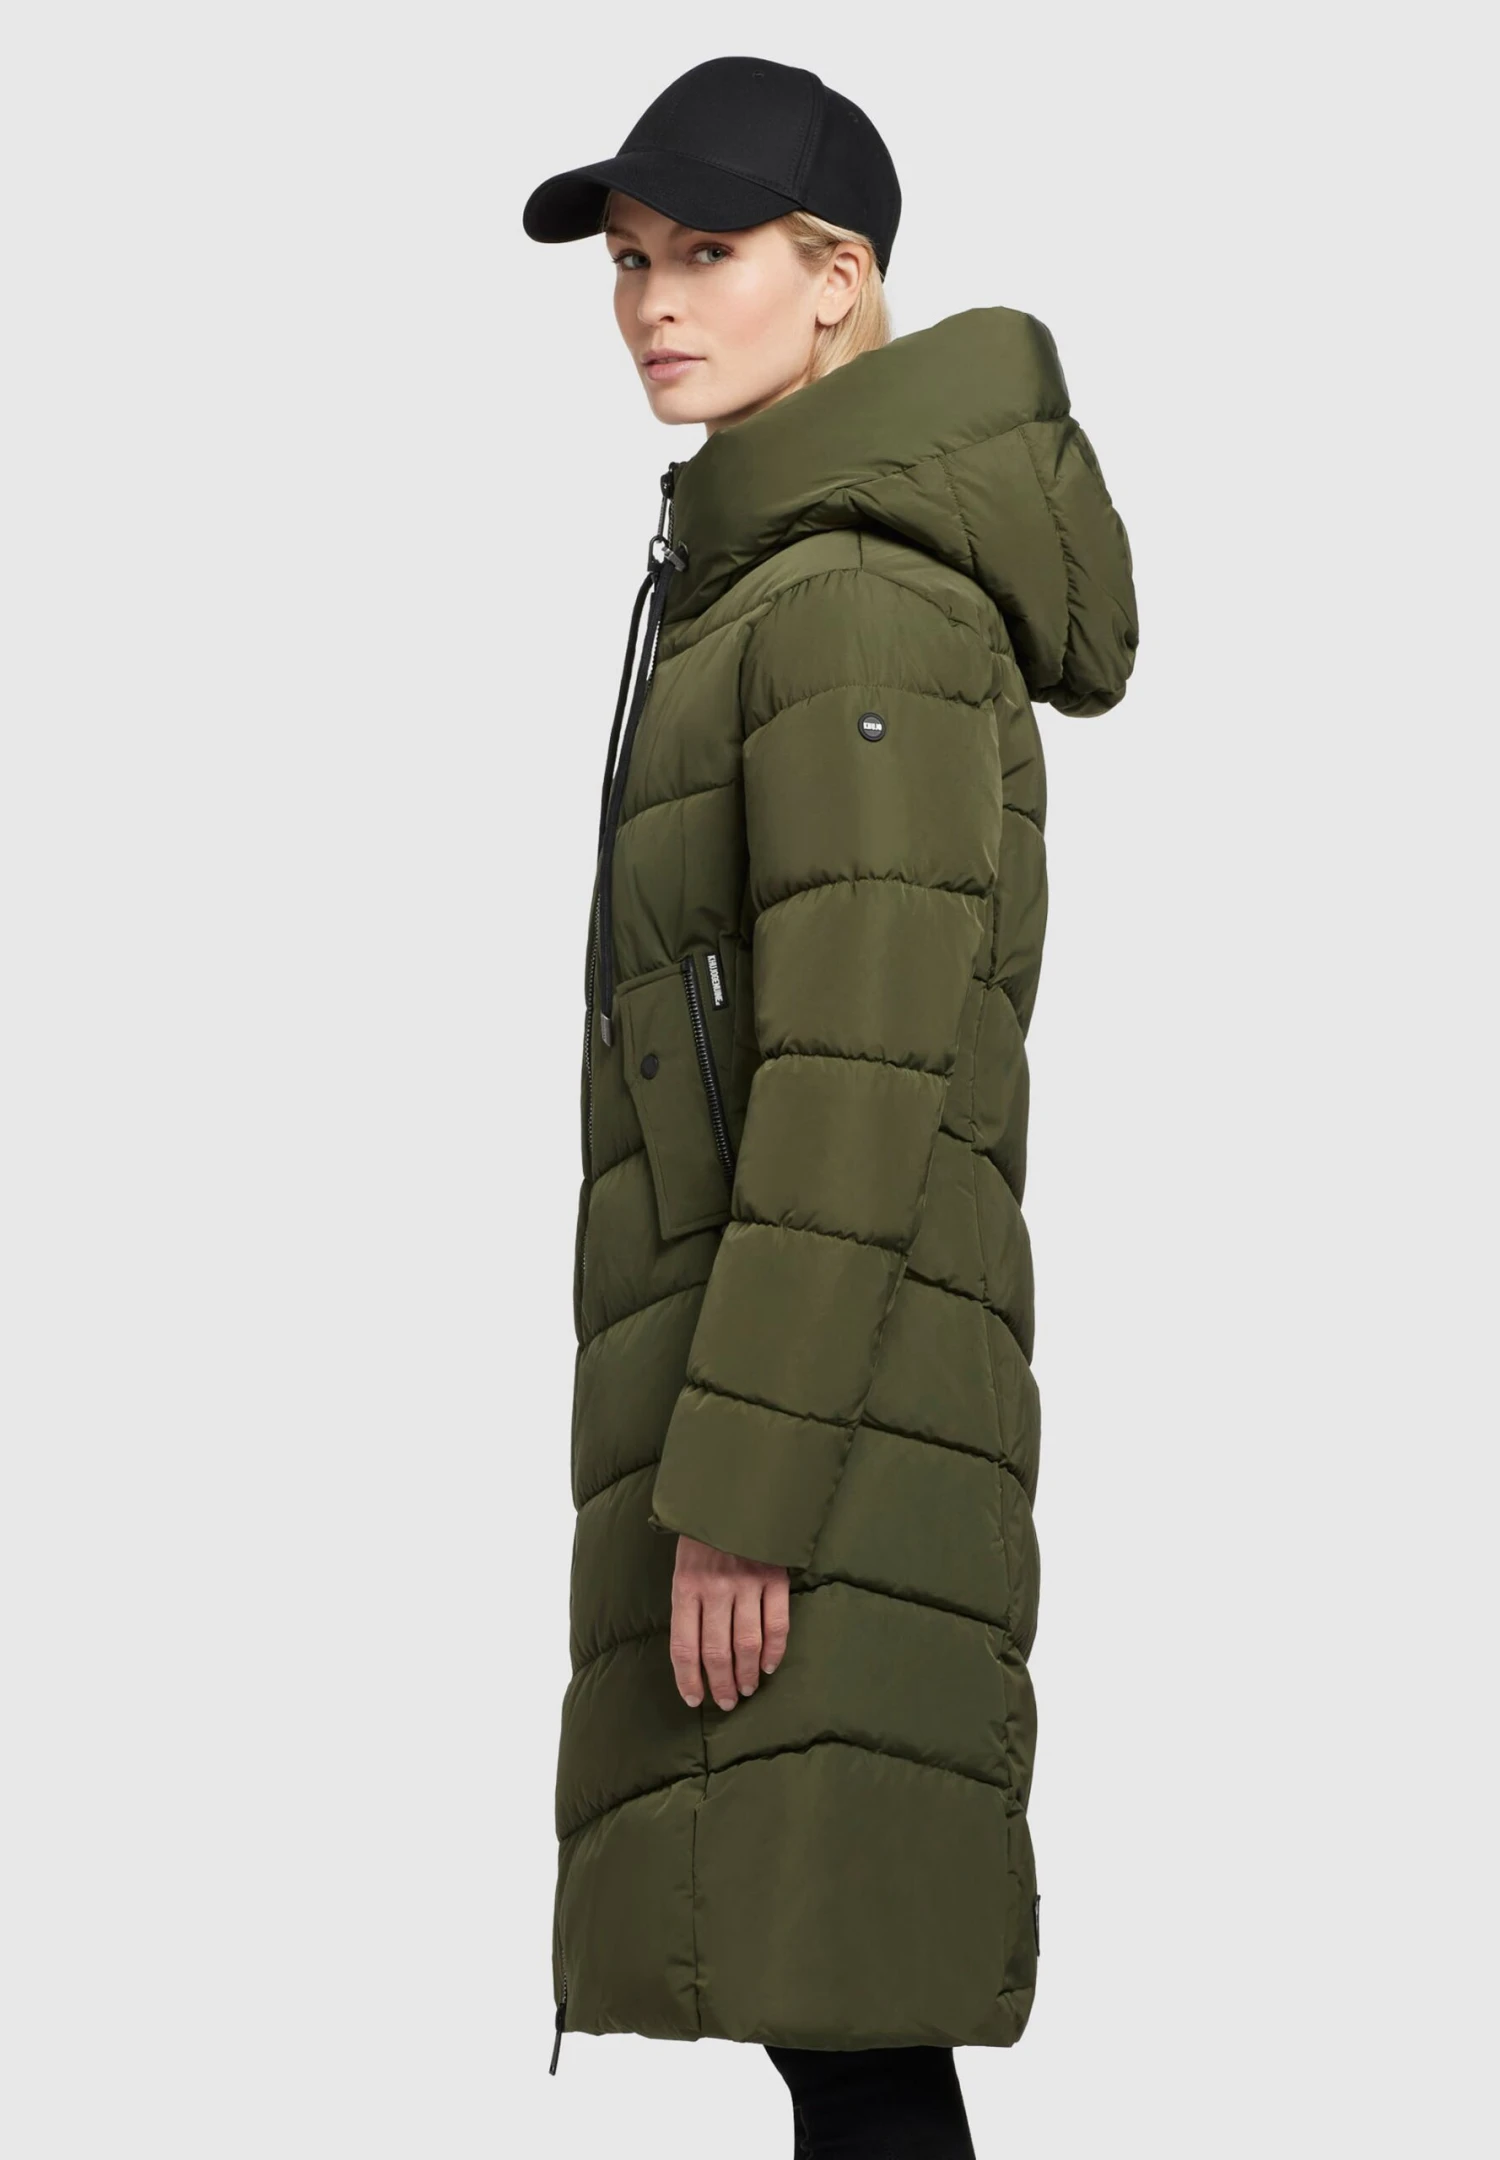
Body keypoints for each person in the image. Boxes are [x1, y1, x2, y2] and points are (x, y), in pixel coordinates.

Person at [523, 55, 1138, 2157]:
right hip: (802, 1406)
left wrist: (747, 1496)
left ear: (841, 279)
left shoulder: (857, 604)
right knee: (839, 2023)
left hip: (827, 1441)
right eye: (629, 262)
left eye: (706, 253)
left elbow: (853, 1093)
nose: (651, 304)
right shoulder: (768, 582)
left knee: (856, 2035)